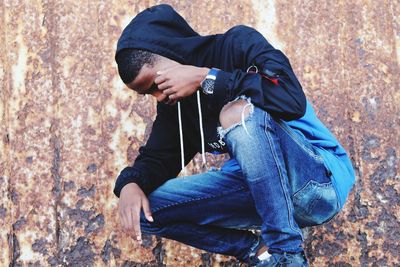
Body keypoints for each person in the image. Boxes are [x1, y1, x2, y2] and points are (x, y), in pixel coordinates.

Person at [113, 4, 355, 267]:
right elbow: (157, 158)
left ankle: (287, 254)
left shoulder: (237, 44)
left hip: (316, 180)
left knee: (236, 114)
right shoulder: (175, 107)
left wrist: (208, 78)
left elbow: (291, 100)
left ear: (173, 54)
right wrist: (129, 184)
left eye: (155, 85)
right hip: (260, 194)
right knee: (142, 211)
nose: (160, 97)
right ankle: (258, 252)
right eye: (147, 94)